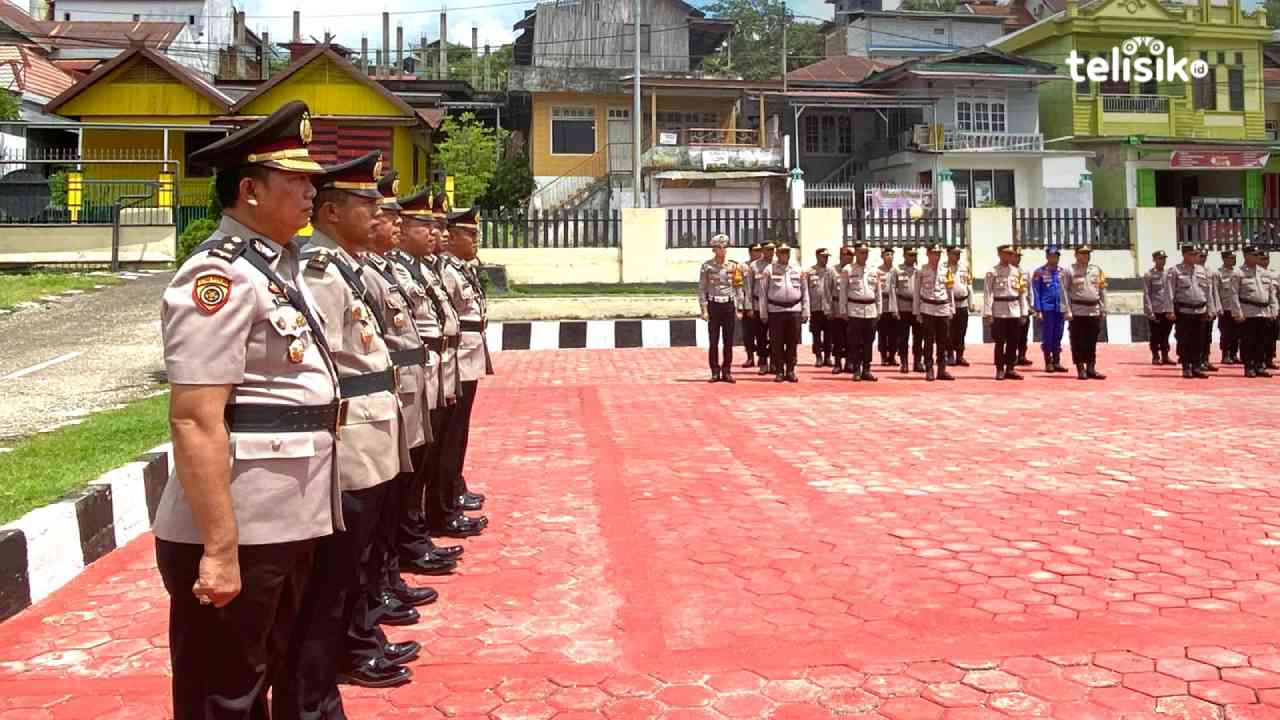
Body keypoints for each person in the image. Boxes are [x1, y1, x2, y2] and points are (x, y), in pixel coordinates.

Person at [154, 101, 339, 720]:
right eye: (296, 179)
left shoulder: (274, 269)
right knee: (225, 693)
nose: (312, 190)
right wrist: (219, 549)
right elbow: (195, 418)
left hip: (283, 516)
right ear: (250, 191)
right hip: (242, 524)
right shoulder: (220, 275)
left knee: (264, 673)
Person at [281, 151, 418, 718]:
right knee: (333, 576)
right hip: (347, 434)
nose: (379, 214)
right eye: (367, 204)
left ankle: (353, 647)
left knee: (353, 564)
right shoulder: (318, 269)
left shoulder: (344, 266)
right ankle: (326, 676)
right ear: (334, 212)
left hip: (371, 426)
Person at [364, 172, 456, 622]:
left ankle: (392, 570)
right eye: (387, 215)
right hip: (382, 397)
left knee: (412, 477)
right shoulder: (350, 271)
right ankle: (384, 578)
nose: (396, 225)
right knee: (388, 495)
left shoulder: (389, 269)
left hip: (411, 382)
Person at [388, 191, 480, 543]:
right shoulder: (400, 270)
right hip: (421, 371)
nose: (435, 233)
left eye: (438, 226)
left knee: (443, 445)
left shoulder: (422, 269)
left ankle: (437, 510)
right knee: (419, 458)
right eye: (426, 225)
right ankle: (423, 523)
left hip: (444, 365)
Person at [438, 206, 495, 532]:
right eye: (469, 234)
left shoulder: (462, 268)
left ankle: (454, 487)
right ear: (453, 237)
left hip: (470, 353)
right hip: (456, 357)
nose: (476, 239)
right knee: (451, 433)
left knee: (458, 432)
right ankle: (447, 495)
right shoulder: (448, 270)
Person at [759, 243, 809, 383]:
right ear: (777, 253)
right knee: (777, 343)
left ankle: (791, 370)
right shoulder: (769, 269)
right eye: (781, 252)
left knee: (792, 342)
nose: (784, 254)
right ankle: (779, 371)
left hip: (794, 310)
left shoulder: (798, 269)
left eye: (787, 252)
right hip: (776, 311)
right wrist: (763, 313)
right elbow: (763, 293)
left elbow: (805, 292)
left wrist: (806, 310)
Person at [698, 234, 744, 383]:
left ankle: (727, 371)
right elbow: (702, 289)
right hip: (713, 305)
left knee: (728, 341)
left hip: (728, 305)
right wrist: (704, 309)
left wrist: (740, 308)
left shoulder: (734, 266)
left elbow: (738, 288)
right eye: (719, 247)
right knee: (713, 341)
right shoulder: (707, 267)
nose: (723, 249)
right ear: (714, 249)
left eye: (725, 246)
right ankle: (715, 372)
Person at [1227, 246, 1276, 378]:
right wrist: (1237, 313)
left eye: (1258, 255)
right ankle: (1249, 366)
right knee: (1248, 341)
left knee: (1262, 341)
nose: (1258, 257)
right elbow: (1233, 294)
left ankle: (1260, 366)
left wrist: (1273, 310)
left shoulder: (1265, 273)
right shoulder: (1238, 273)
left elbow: (1271, 293)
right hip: (1248, 313)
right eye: (1255, 255)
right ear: (1246, 256)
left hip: (1264, 312)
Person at [1060, 245, 1107, 380]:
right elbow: (1063, 292)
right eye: (1083, 253)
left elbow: (1102, 290)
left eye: (1088, 253)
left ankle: (1091, 368)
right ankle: (1081, 368)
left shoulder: (1096, 270)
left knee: (1092, 341)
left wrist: (1103, 308)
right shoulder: (1069, 270)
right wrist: (1066, 310)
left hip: (1093, 311)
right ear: (1076, 255)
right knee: (1078, 341)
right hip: (1077, 311)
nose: (1086, 256)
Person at [1166, 244, 1213, 379]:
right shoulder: (1175, 271)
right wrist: (1170, 310)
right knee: (1184, 340)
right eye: (1192, 254)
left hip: (1200, 310)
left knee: (1199, 341)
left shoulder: (1202, 271)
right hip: (1184, 311)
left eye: (1196, 254)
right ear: (1184, 255)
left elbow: (1208, 292)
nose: (1195, 257)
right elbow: (1169, 292)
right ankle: (1186, 367)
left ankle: (1197, 366)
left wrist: (1210, 309)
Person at [838, 243, 884, 382]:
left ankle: (866, 369)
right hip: (855, 309)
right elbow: (843, 292)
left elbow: (878, 292)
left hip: (870, 310)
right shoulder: (848, 269)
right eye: (861, 252)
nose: (864, 255)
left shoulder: (873, 270)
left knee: (868, 341)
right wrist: (843, 310)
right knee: (855, 341)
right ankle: (856, 369)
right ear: (856, 254)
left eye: (866, 252)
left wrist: (879, 309)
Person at [984, 244, 1030, 381]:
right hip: (999, 310)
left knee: (1013, 341)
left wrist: (1024, 312)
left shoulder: (1017, 272)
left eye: (1011, 254)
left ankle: (1010, 368)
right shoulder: (992, 272)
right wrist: (988, 312)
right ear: (999, 254)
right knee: (1000, 342)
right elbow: (988, 293)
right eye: (1006, 254)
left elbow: (1022, 293)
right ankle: (999, 369)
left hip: (1014, 310)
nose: (1009, 256)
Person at [914, 244, 955, 382]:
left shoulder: (946, 270)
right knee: (929, 341)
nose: (936, 256)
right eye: (933, 253)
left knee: (943, 341)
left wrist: (951, 308)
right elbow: (916, 293)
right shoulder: (921, 271)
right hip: (927, 308)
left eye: (938, 254)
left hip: (943, 308)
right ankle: (929, 368)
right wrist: (917, 312)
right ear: (928, 254)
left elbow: (950, 291)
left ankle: (942, 369)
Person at [1031, 247, 1068, 373]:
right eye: (1051, 256)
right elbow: (1036, 292)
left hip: (1060, 308)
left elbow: (1067, 291)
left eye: (1056, 256)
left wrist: (1067, 308)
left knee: (1059, 334)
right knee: (1048, 335)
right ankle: (1048, 362)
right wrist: (1038, 310)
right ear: (1047, 257)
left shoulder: (1063, 272)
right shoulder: (1039, 272)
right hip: (1047, 308)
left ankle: (1057, 361)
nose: (1054, 258)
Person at [890, 246, 922, 374]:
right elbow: (892, 290)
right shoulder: (896, 270)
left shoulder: (919, 271)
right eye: (910, 255)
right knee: (903, 337)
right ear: (904, 255)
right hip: (903, 306)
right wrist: (894, 309)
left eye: (914, 255)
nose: (912, 257)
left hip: (917, 307)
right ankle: (904, 362)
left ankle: (918, 361)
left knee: (919, 337)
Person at [1143, 250, 1174, 365]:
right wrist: (1149, 311)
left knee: (1166, 334)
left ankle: (1165, 355)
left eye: (1164, 258)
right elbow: (1146, 294)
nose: (1162, 261)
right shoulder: (1149, 275)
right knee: (1155, 335)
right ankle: (1155, 356)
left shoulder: (1169, 274)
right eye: (1160, 258)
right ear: (1154, 260)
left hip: (1167, 309)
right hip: (1155, 309)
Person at [826, 246, 852, 374]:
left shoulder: (854, 270)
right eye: (845, 254)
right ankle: (837, 363)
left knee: (851, 338)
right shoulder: (832, 271)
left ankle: (849, 362)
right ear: (840, 256)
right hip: (836, 309)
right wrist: (828, 309)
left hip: (851, 309)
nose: (848, 257)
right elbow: (827, 291)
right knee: (837, 338)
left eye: (850, 254)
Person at [946, 246, 973, 367]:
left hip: (962, 303)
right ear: (948, 254)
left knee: (961, 331)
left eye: (958, 254)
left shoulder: (964, 268)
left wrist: (971, 302)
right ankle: (950, 355)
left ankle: (960, 355)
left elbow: (969, 285)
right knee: (949, 331)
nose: (957, 256)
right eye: (955, 254)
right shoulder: (943, 268)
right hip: (948, 304)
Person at [751, 243, 776, 375]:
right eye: (768, 249)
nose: (771, 252)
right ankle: (762, 362)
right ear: (762, 251)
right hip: (757, 305)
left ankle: (774, 362)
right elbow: (748, 288)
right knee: (760, 335)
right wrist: (748, 307)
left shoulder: (777, 265)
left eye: (773, 249)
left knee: (775, 336)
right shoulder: (754, 266)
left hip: (774, 306)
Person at [1195, 248, 1220, 374]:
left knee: (1207, 337)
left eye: (1205, 256)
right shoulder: (1192, 271)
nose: (1203, 258)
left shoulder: (1211, 272)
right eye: (1200, 255)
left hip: (1209, 308)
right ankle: (1197, 360)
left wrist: (1216, 307)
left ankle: (1205, 359)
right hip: (1197, 308)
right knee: (1198, 337)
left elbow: (1214, 291)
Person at [1216, 250, 1242, 366]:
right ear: (1224, 259)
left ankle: (1234, 354)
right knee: (1226, 333)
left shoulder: (1239, 272)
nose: (1233, 260)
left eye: (1234, 258)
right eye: (1231, 258)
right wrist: (1218, 307)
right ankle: (1225, 354)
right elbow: (1216, 291)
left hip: (1237, 308)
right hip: (1225, 308)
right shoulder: (1219, 273)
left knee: (1237, 333)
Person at [807, 249, 833, 367]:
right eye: (823, 256)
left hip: (828, 308)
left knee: (829, 334)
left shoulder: (831, 271)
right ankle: (818, 357)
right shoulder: (810, 272)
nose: (825, 259)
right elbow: (805, 291)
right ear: (817, 256)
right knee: (816, 334)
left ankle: (828, 357)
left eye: (827, 257)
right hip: (815, 307)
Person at [740, 244, 761, 369]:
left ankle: (763, 357)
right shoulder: (744, 267)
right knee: (748, 333)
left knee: (762, 333)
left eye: (760, 251)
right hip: (747, 302)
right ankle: (750, 357)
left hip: (761, 304)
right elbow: (742, 287)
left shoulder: (764, 266)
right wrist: (747, 306)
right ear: (750, 252)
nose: (759, 253)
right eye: (756, 251)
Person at [1013, 248, 1034, 367]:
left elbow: (1029, 290)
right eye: (1016, 256)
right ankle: (1012, 356)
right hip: (1013, 306)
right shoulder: (1007, 272)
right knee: (1013, 334)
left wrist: (1031, 305)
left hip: (1024, 306)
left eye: (1019, 256)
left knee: (1024, 334)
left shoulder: (1025, 272)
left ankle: (1022, 355)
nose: (1018, 258)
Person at [877, 247, 898, 367]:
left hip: (894, 305)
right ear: (882, 256)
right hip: (883, 305)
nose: (889, 256)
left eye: (891, 254)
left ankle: (892, 356)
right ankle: (883, 356)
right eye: (887, 254)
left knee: (894, 334)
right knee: (883, 333)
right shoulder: (878, 271)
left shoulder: (896, 270)